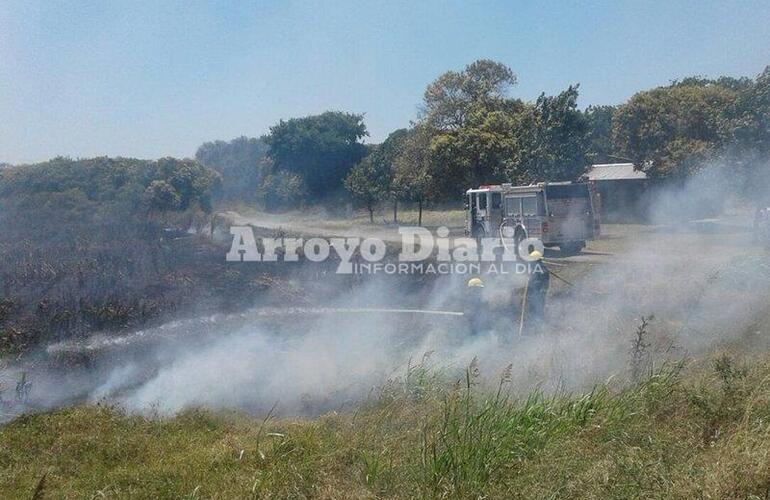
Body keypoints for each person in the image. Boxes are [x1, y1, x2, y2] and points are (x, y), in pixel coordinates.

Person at [525, 250, 550, 322]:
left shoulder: (542, 268)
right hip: (534, 291)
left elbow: (545, 281)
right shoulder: (535, 267)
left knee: (538, 306)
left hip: (539, 291)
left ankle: (538, 321)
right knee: (533, 306)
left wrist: (542, 290)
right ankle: (533, 320)